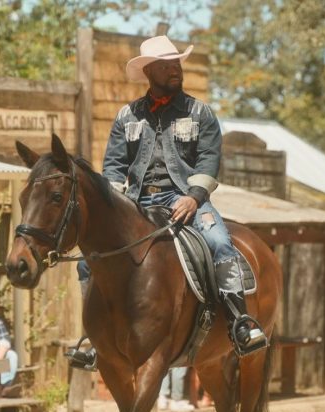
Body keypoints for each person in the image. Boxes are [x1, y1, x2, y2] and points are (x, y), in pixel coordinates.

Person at [66, 35, 267, 370]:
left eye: (177, 63)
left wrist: (193, 198)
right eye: (166, 65)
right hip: (136, 200)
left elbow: (208, 162)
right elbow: (114, 166)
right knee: (90, 259)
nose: (175, 69)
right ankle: (95, 339)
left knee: (219, 242)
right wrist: (114, 202)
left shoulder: (200, 112)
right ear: (149, 72)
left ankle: (240, 322)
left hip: (187, 198)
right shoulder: (126, 117)